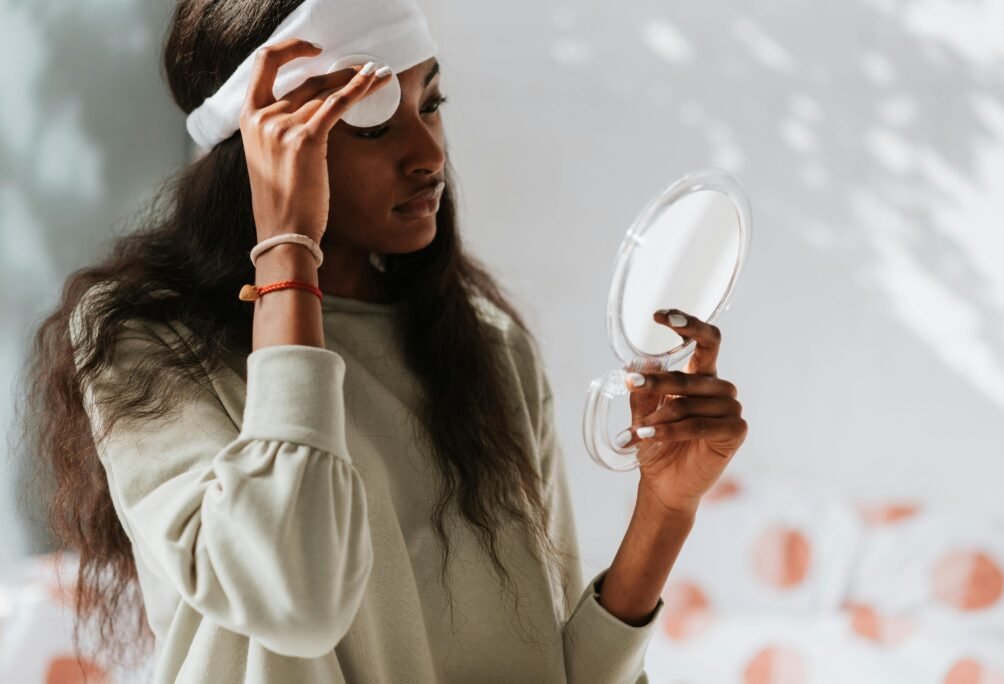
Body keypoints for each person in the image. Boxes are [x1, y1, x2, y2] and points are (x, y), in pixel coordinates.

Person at [18, 1, 748, 682]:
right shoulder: (145, 340)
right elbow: (295, 600)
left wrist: (665, 508)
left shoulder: (485, 347)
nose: (427, 154)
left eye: (430, 103)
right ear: (262, 145)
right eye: (370, 124)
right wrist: (287, 251)